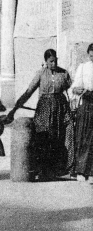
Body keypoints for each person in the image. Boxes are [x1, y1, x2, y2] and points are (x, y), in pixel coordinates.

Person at [8, 49, 74, 180]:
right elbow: (29, 91)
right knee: (44, 137)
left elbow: (72, 90)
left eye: (55, 60)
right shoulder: (41, 74)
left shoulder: (64, 73)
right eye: (51, 61)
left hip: (61, 108)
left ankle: (62, 169)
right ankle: (44, 171)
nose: (54, 63)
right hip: (45, 108)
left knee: (64, 134)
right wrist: (14, 109)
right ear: (46, 61)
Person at [71, 42, 93, 182]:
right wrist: (76, 90)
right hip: (85, 106)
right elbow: (74, 86)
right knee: (82, 137)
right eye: (91, 56)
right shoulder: (83, 67)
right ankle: (81, 170)